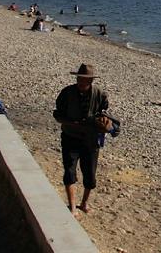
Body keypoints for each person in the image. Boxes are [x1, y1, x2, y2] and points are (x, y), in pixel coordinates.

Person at [54, 64, 109, 218]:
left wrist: (104, 122)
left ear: (91, 80)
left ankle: (84, 203)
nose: (81, 81)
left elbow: (104, 110)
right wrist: (71, 123)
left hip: (91, 140)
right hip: (70, 137)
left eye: (84, 79)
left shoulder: (99, 94)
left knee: (90, 175)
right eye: (79, 78)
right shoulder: (67, 93)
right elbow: (57, 114)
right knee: (69, 171)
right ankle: (72, 206)